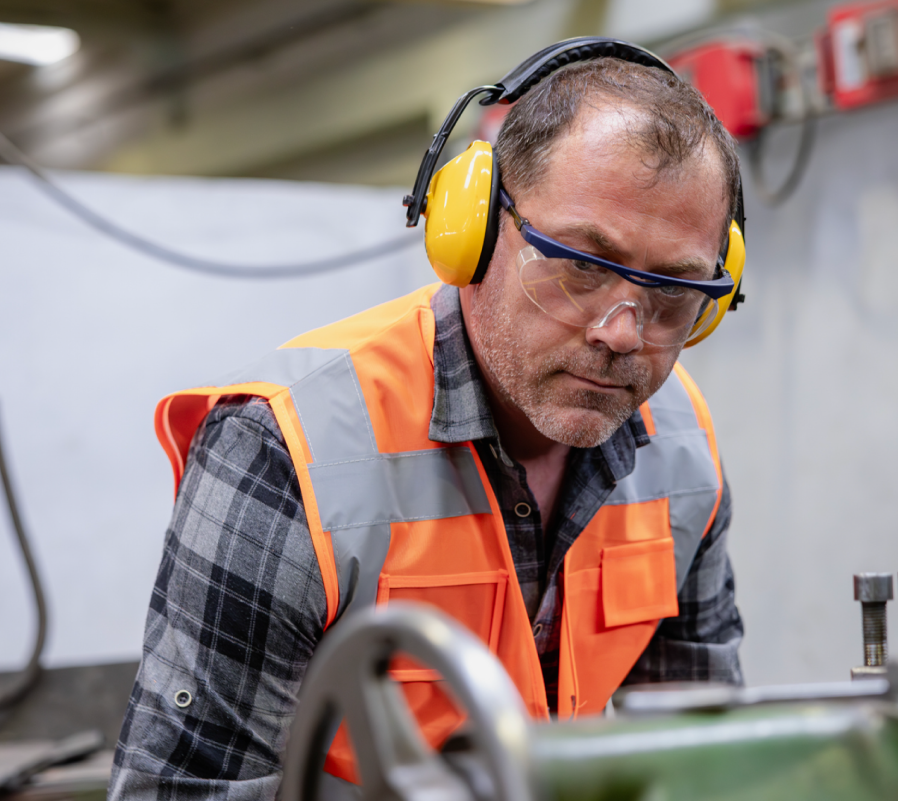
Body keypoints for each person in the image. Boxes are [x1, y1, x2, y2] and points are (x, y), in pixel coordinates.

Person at [109, 39, 745, 801]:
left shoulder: (682, 446)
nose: (621, 331)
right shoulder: (289, 450)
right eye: (580, 265)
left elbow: (703, 766)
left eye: (671, 291)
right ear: (468, 231)